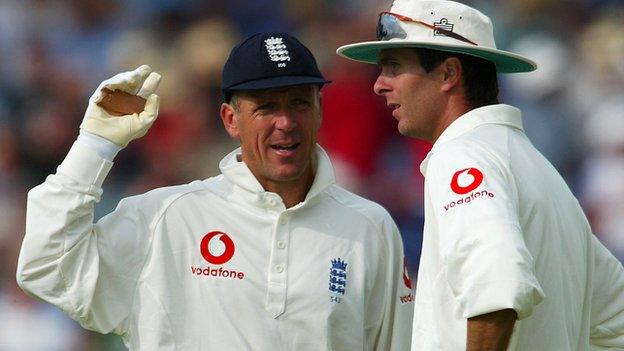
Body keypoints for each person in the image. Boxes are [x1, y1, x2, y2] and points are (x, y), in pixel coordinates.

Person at [16, 32, 414, 350]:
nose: (286, 122)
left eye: (299, 103)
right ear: (230, 119)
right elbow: (46, 266)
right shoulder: (167, 217)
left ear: (320, 110)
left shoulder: (368, 226)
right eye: (265, 107)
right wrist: (95, 145)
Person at [336, 0, 624, 350]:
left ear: (448, 74)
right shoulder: (537, 168)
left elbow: (499, 285)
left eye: (394, 67)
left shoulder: (461, 156)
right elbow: (614, 318)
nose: (379, 85)